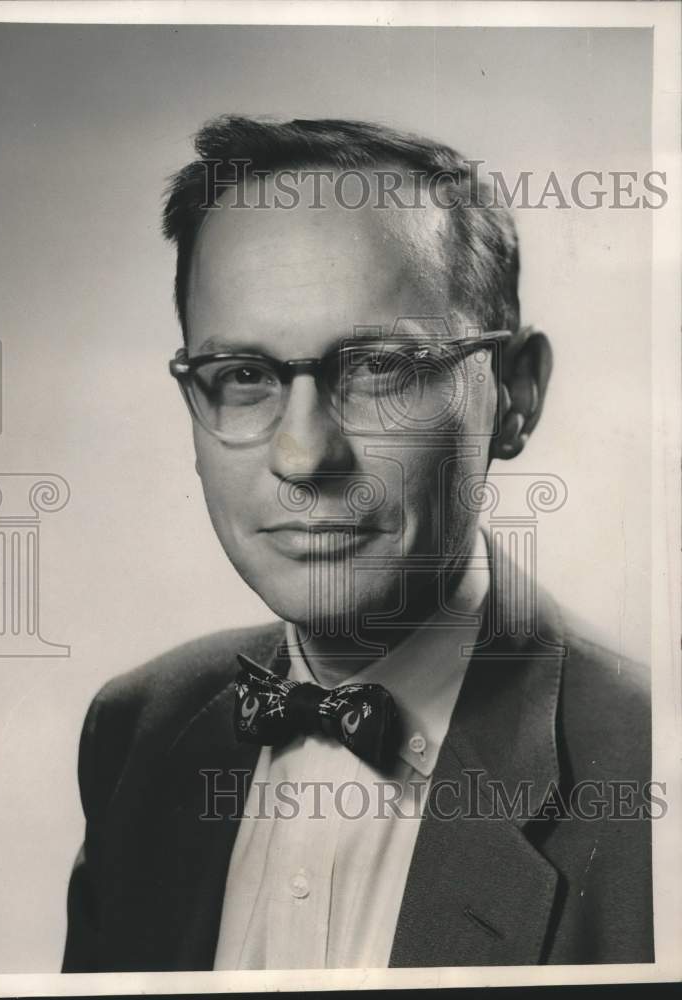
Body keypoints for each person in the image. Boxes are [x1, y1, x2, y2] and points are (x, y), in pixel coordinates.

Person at [61, 116, 653, 972]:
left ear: (517, 395)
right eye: (244, 376)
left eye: (379, 368)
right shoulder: (138, 731)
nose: (303, 457)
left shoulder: (646, 765)